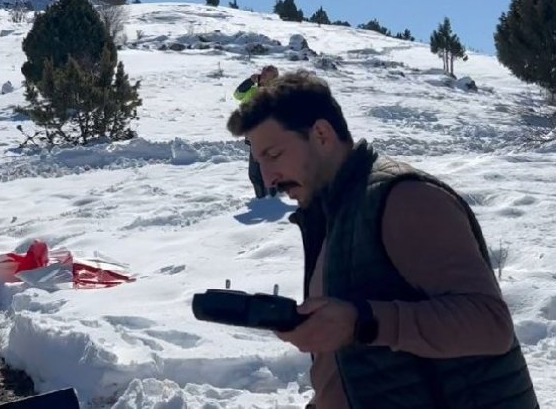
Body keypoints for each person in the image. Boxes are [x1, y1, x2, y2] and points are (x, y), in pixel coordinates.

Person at [226, 70, 537, 409]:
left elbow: (489, 324)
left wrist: (362, 322)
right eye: (260, 163)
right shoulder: (334, 213)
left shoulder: (405, 199)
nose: (268, 180)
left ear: (321, 134)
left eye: (274, 156)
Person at [233, 64, 279, 198]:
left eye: (267, 73)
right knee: (254, 174)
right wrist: (249, 81)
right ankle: (262, 200)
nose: (263, 74)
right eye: (263, 72)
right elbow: (237, 95)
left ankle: (271, 201)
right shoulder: (253, 91)